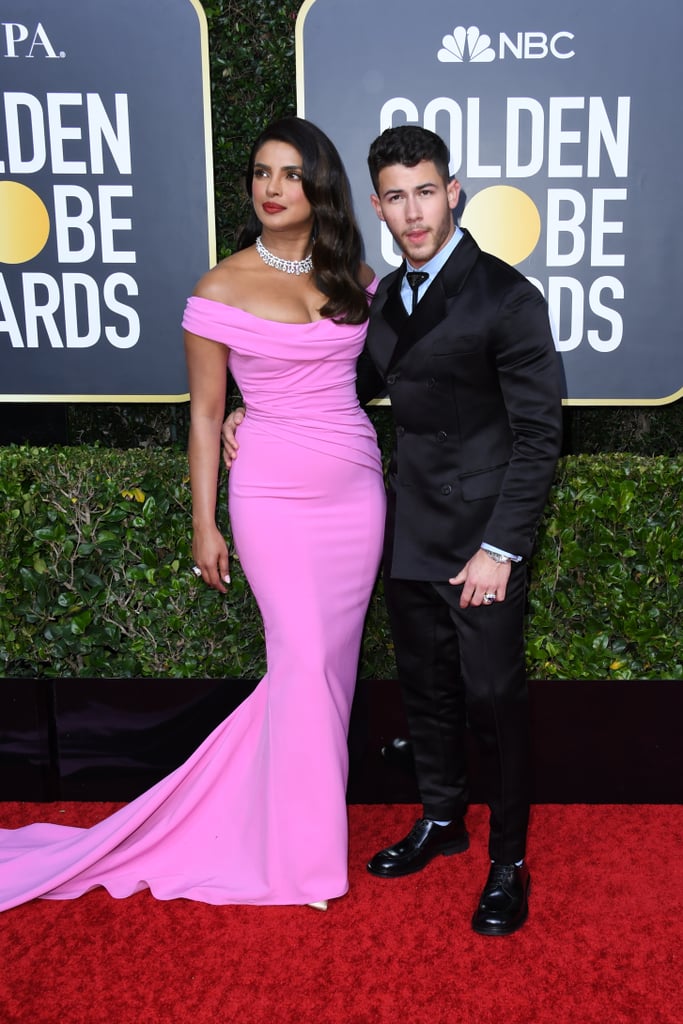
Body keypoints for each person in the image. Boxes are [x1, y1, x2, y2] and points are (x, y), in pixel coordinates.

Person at [0, 117, 385, 913]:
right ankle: (302, 865)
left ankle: (286, 828)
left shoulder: (355, 274)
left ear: (319, 187)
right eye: (259, 173)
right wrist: (203, 524)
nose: (270, 188)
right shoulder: (218, 288)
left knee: (322, 675)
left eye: (288, 174)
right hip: (272, 497)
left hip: (356, 492)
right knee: (304, 660)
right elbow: (206, 416)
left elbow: (385, 375)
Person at [223, 125, 563, 935]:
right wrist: (251, 407)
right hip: (406, 530)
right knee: (428, 693)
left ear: (453, 193)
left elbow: (541, 436)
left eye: (425, 192)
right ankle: (443, 822)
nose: (413, 212)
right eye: (396, 197)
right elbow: (338, 376)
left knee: (492, 698)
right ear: (376, 206)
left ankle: (507, 861)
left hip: (481, 543)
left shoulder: (506, 297)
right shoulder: (378, 300)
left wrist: (500, 549)